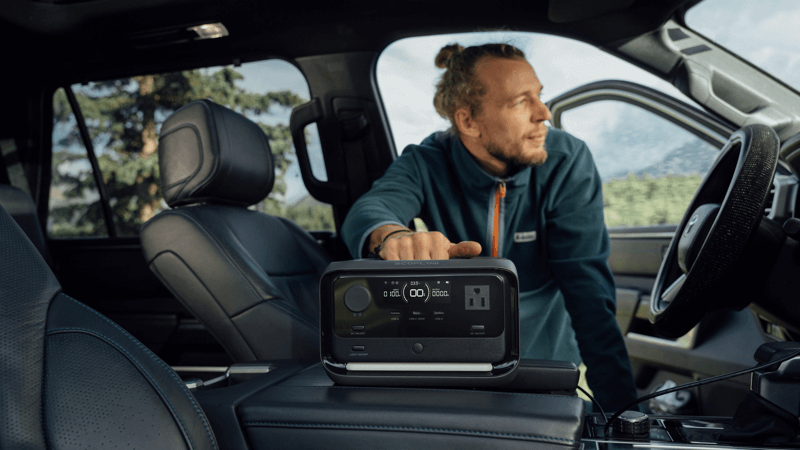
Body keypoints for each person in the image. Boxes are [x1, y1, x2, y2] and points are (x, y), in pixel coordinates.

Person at [340, 42, 638, 412]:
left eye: (540, 96)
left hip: (548, 368)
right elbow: (371, 209)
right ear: (468, 122)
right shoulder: (426, 161)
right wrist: (393, 236)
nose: (544, 113)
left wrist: (626, 415)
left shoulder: (566, 161)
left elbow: (588, 294)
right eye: (520, 102)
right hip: (461, 368)